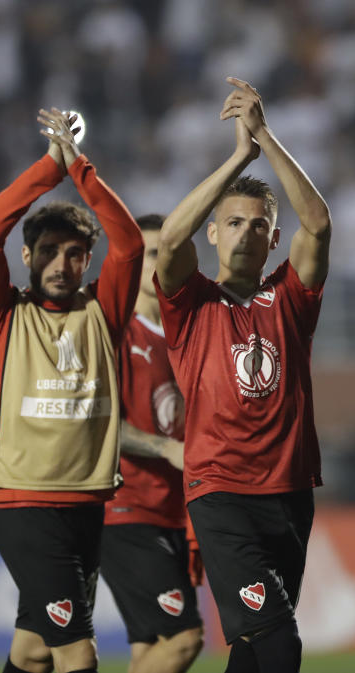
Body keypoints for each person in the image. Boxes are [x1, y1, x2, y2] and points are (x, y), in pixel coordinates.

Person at [154, 77, 331, 673]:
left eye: (259, 224)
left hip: (289, 492)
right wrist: (238, 157)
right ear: (213, 232)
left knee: (253, 651)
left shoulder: (290, 297)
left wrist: (267, 137)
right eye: (233, 222)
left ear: (273, 237)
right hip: (221, 492)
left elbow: (320, 224)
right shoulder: (189, 303)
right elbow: (171, 238)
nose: (247, 232)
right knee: (281, 644)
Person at [0, 108, 143, 673]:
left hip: (87, 502)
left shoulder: (102, 311)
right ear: (26, 257)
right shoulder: (0, 318)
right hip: (25, 501)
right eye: (47, 251)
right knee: (78, 655)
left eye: (74, 254)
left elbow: (132, 245)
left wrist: (82, 172)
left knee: (34, 650)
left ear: (88, 261)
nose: (60, 264)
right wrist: (52, 167)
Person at [100, 213, 205, 673]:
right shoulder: (112, 333)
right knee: (185, 638)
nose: (150, 264)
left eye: (160, 253)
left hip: (173, 509)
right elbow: (97, 425)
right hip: (125, 510)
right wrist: (166, 449)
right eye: (141, 254)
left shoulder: (189, 331)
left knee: (150, 647)